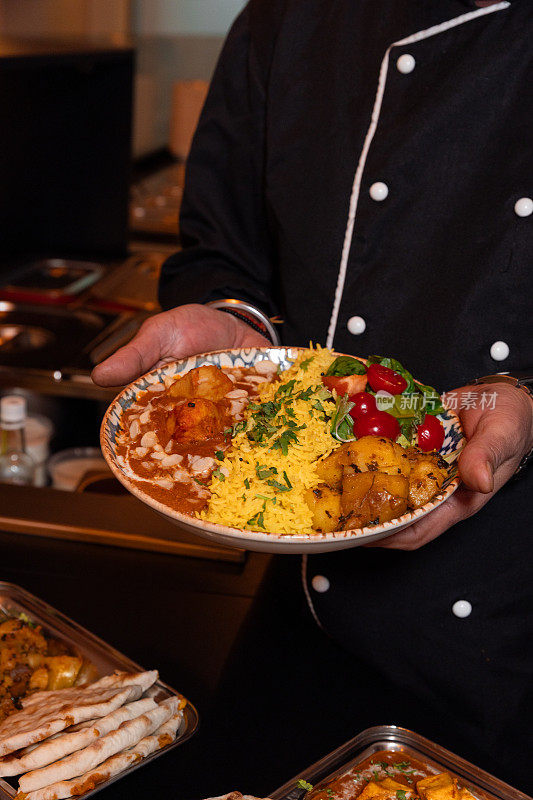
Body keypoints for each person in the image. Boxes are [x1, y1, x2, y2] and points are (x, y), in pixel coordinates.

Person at [93, 0, 533, 793]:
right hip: (306, 617)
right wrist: (235, 322)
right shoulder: (288, 17)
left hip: (514, 640)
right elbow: (220, 249)